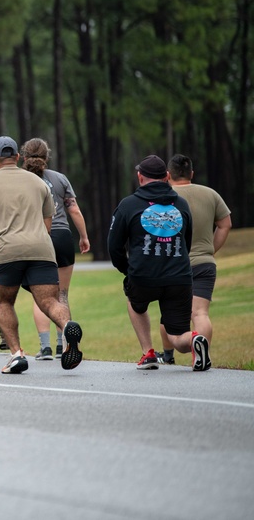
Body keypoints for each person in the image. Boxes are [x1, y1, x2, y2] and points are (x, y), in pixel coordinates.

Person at [0, 136, 83, 374]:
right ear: (17, 158)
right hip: (41, 248)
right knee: (51, 301)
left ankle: (17, 354)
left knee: (4, 302)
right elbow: (48, 224)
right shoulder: (38, 183)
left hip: (6, 251)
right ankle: (67, 324)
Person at [108, 154, 209, 371]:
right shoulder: (181, 204)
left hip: (143, 277)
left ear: (139, 177)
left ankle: (148, 353)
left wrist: (128, 270)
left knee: (135, 302)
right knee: (176, 336)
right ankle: (193, 340)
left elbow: (114, 247)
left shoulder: (128, 205)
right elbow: (186, 242)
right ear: (165, 177)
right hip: (179, 278)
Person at [21, 138, 91, 361]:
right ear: (47, 156)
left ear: (23, 156)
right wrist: (83, 236)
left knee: (40, 296)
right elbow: (74, 210)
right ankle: (64, 346)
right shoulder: (60, 179)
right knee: (61, 294)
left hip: (36, 237)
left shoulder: (21, 180)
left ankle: (45, 348)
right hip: (62, 236)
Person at [157, 154, 232, 365]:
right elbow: (225, 224)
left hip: (172, 264)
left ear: (168, 175)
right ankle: (201, 355)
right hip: (204, 263)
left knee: (168, 312)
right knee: (200, 313)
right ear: (192, 173)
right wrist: (210, 250)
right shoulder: (211, 194)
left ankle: (168, 355)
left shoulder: (164, 197)